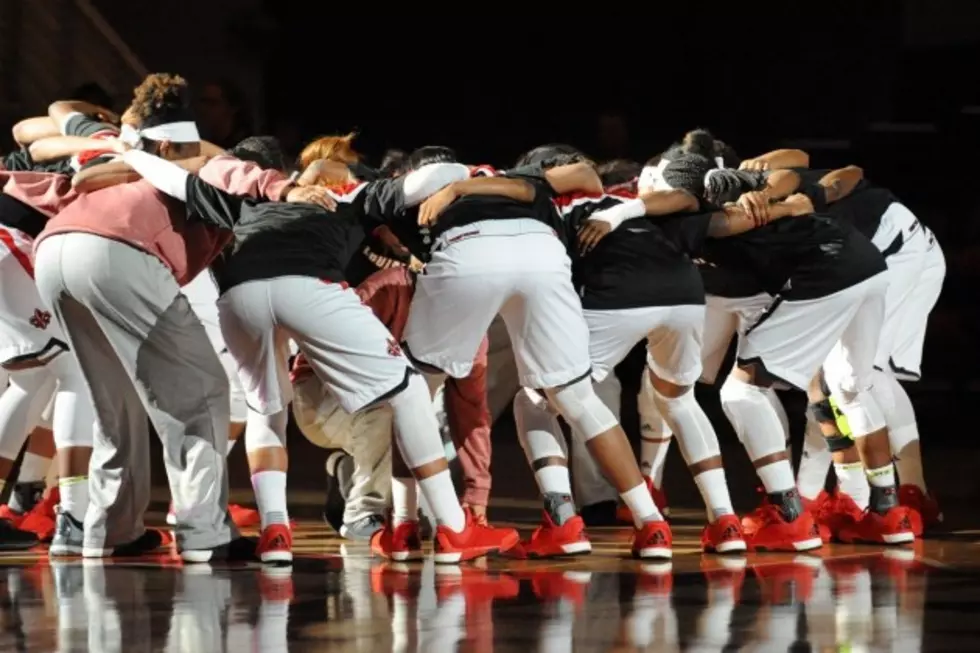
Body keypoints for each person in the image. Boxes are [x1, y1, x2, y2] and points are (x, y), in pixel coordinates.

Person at [117, 147, 520, 564]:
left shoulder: (255, 198)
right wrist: (470, 175)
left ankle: (276, 530)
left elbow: (168, 176)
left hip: (239, 297)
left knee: (265, 410)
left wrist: (124, 149)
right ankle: (455, 530)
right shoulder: (357, 194)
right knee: (409, 389)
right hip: (307, 286)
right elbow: (433, 176)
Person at [32, 73, 321, 562]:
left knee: (113, 401)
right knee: (204, 390)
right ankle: (204, 533)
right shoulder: (207, 162)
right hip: (117, 251)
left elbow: (57, 124)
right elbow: (232, 173)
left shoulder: (133, 155)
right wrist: (287, 189)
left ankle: (109, 530)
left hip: (57, 248)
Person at [380, 145, 672, 560]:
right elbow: (587, 176)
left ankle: (405, 527)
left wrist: (451, 193)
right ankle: (650, 523)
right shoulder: (505, 176)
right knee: (576, 400)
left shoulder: (402, 191)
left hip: (468, 252)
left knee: (413, 396)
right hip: (542, 255)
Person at [655, 144, 914, 547]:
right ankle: (887, 512)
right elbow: (810, 173)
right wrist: (785, 201)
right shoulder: (744, 185)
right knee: (850, 387)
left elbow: (730, 221)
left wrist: (770, 205)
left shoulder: (695, 217)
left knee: (740, 392)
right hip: (868, 264)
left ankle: (788, 513)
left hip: (826, 273)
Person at [194, 79, 252, 150]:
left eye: (212, 103)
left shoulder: (245, 147)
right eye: (203, 102)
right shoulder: (204, 142)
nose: (204, 109)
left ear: (233, 108)